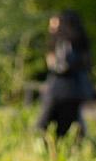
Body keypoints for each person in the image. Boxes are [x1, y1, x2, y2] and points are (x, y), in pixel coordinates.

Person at [39, 10, 91, 140]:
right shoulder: (80, 40)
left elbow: (61, 67)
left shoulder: (64, 41)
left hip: (61, 91)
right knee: (72, 125)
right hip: (75, 91)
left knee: (48, 125)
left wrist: (51, 61)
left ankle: (55, 155)